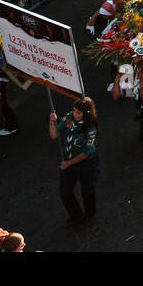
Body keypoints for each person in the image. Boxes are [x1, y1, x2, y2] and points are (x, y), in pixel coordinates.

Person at [49, 97, 100, 228]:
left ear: (86, 113)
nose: (74, 113)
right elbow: (54, 135)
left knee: (87, 191)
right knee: (64, 192)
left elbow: (85, 153)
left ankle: (89, 215)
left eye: (78, 112)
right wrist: (51, 121)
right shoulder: (69, 117)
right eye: (74, 110)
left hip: (86, 162)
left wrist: (69, 163)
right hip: (69, 161)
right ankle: (76, 217)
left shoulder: (90, 128)